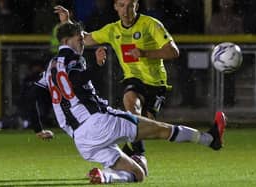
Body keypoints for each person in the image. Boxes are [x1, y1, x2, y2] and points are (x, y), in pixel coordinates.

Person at [32, 22, 226, 184]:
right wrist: (97, 66)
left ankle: (105, 176)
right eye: (79, 39)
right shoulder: (74, 58)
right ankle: (211, 140)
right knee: (161, 129)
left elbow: (32, 94)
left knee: (138, 174)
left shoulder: (51, 67)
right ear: (67, 41)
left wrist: (37, 127)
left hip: (81, 140)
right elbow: (76, 80)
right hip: (99, 123)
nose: (83, 43)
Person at [54, 0, 180, 172]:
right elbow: (86, 38)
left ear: (136, 5)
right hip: (133, 80)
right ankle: (139, 156)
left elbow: (173, 51)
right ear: (115, 6)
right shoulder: (113, 30)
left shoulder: (151, 24)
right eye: (121, 5)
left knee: (145, 127)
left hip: (156, 84)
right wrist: (66, 22)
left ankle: (128, 160)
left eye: (130, 5)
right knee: (130, 101)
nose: (126, 10)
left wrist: (144, 53)